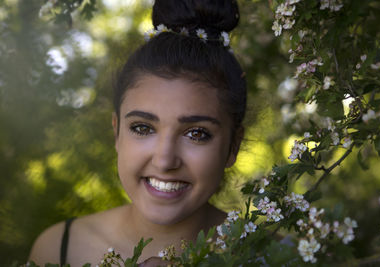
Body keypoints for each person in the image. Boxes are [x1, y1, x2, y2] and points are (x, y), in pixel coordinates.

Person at [29, 0, 247, 266]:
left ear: (233, 147)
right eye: (143, 128)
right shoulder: (59, 249)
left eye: (196, 134)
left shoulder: (281, 254)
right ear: (116, 132)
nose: (165, 161)